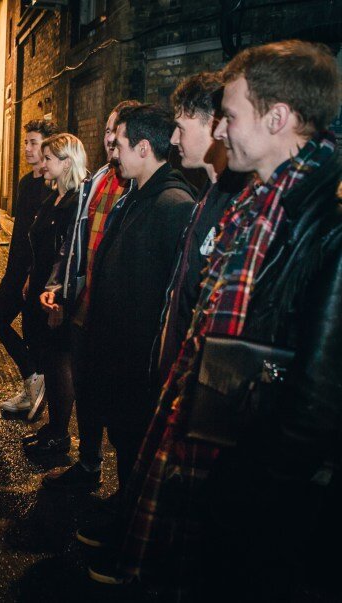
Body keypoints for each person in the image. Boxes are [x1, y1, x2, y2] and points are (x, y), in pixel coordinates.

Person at [114, 40, 341, 599]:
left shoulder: (324, 229)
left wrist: (245, 486)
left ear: (277, 118)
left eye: (230, 116)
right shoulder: (252, 207)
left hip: (249, 487)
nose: (219, 131)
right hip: (210, 453)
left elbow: (315, 404)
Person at [82, 104, 195, 493]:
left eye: (121, 145)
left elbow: (167, 295)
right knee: (125, 444)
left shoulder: (174, 205)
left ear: (144, 147)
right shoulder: (137, 194)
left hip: (138, 363)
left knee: (135, 447)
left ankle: (126, 524)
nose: (114, 153)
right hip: (119, 356)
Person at [39, 100, 140, 487]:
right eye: (108, 129)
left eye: (118, 130)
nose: (109, 137)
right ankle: (87, 462)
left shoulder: (140, 186)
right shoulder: (99, 179)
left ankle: (123, 489)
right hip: (84, 304)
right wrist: (58, 284)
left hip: (113, 312)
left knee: (116, 400)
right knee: (87, 389)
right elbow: (74, 242)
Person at [157, 72, 247, 383]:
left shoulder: (237, 202)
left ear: (213, 124)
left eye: (180, 128)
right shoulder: (208, 193)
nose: (172, 139)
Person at [22, 134, 88, 456]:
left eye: (48, 158)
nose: (42, 163)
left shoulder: (76, 202)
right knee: (48, 360)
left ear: (66, 162)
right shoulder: (56, 198)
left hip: (56, 295)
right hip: (41, 288)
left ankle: (60, 433)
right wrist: (31, 278)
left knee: (59, 363)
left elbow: (69, 254)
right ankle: (52, 426)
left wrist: (57, 293)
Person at [0, 119, 59, 419]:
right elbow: (21, 232)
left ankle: (36, 386)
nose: (28, 148)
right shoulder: (24, 182)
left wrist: (33, 274)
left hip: (35, 274)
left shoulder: (52, 186)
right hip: (15, 268)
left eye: (33, 143)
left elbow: (47, 238)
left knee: (35, 334)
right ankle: (33, 378)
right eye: (27, 142)